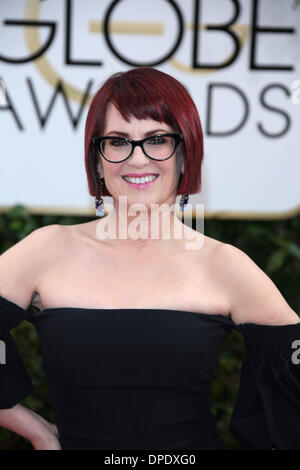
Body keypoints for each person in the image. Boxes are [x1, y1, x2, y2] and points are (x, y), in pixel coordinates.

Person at [0, 67, 300, 450]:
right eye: (118, 141)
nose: (137, 159)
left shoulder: (223, 265)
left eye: (157, 139)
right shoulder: (47, 250)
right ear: (97, 159)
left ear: (185, 153)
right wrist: (35, 430)